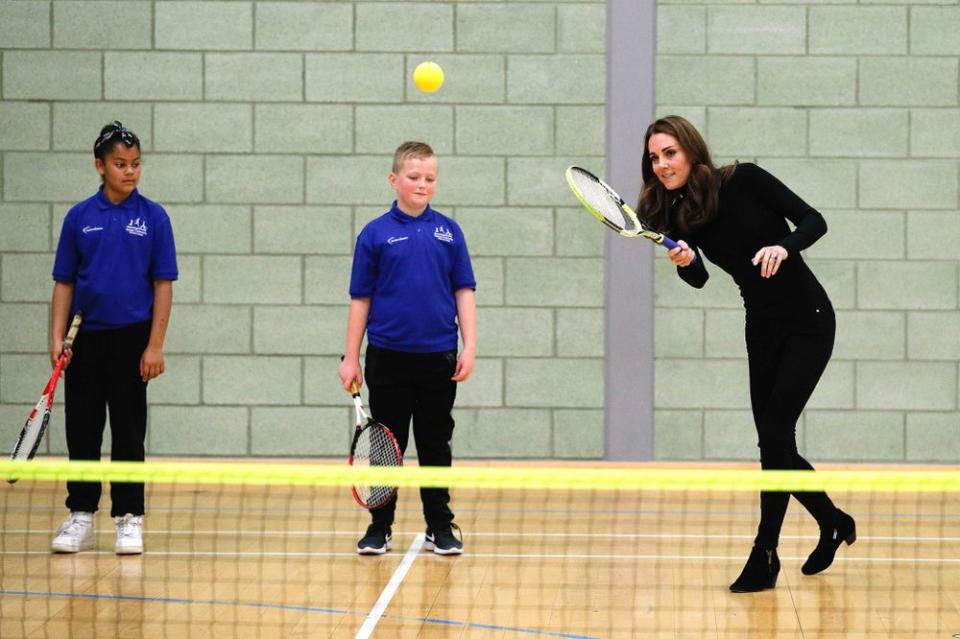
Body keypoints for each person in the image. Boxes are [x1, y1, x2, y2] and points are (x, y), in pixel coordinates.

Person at [637, 116, 855, 592]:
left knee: (776, 434)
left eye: (669, 153)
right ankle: (833, 520)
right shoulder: (677, 215)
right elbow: (699, 278)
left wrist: (784, 244)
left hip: (808, 318)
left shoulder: (745, 180)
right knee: (773, 443)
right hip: (760, 327)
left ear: (691, 150)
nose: (661, 165)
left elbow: (814, 220)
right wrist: (686, 262)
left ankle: (766, 553)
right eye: (654, 158)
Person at [338, 141, 477, 556]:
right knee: (387, 447)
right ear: (394, 180)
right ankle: (380, 526)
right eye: (414, 177)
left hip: (439, 358)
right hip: (387, 358)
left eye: (429, 178)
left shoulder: (449, 232)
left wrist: (470, 345)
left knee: (436, 445)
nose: (422, 184)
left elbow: (463, 291)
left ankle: (440, 524)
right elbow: (360, 298)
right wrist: (351, 356)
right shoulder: (375, 234)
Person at [49, 121, 178, 555]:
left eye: (136, 164)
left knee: (128, 432)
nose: (130, 171)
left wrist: (155, 345)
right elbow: (64, 282)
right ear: (100, 167)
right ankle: (80, 514)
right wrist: (56, 338)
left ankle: (128, 517)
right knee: (82, 431)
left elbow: (163, 284)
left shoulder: (154, 217)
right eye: (120, 164)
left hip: (131, 340)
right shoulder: (79, 218)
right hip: (85, 340)